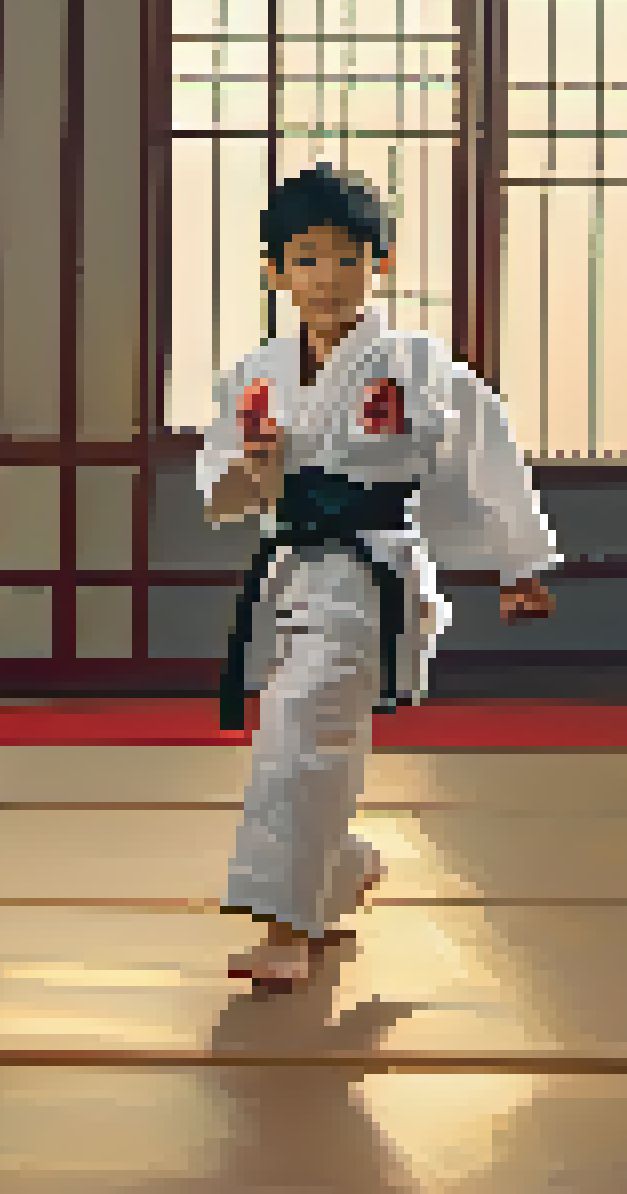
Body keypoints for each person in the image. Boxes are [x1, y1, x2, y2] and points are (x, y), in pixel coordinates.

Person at [199, 163, 561, 991]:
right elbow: (219, 492)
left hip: (374, 573)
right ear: (275, 269)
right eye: (306, 258)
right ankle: (338, 866)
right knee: (308, 735)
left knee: (300, 732)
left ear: (379, 263)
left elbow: (485, 455)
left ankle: (289, 925)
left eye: (347, 258)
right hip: (294, 572)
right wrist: (258, 472)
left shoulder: (415, 365)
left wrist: (518, 563)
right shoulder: (254, 374)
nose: (327, 278)